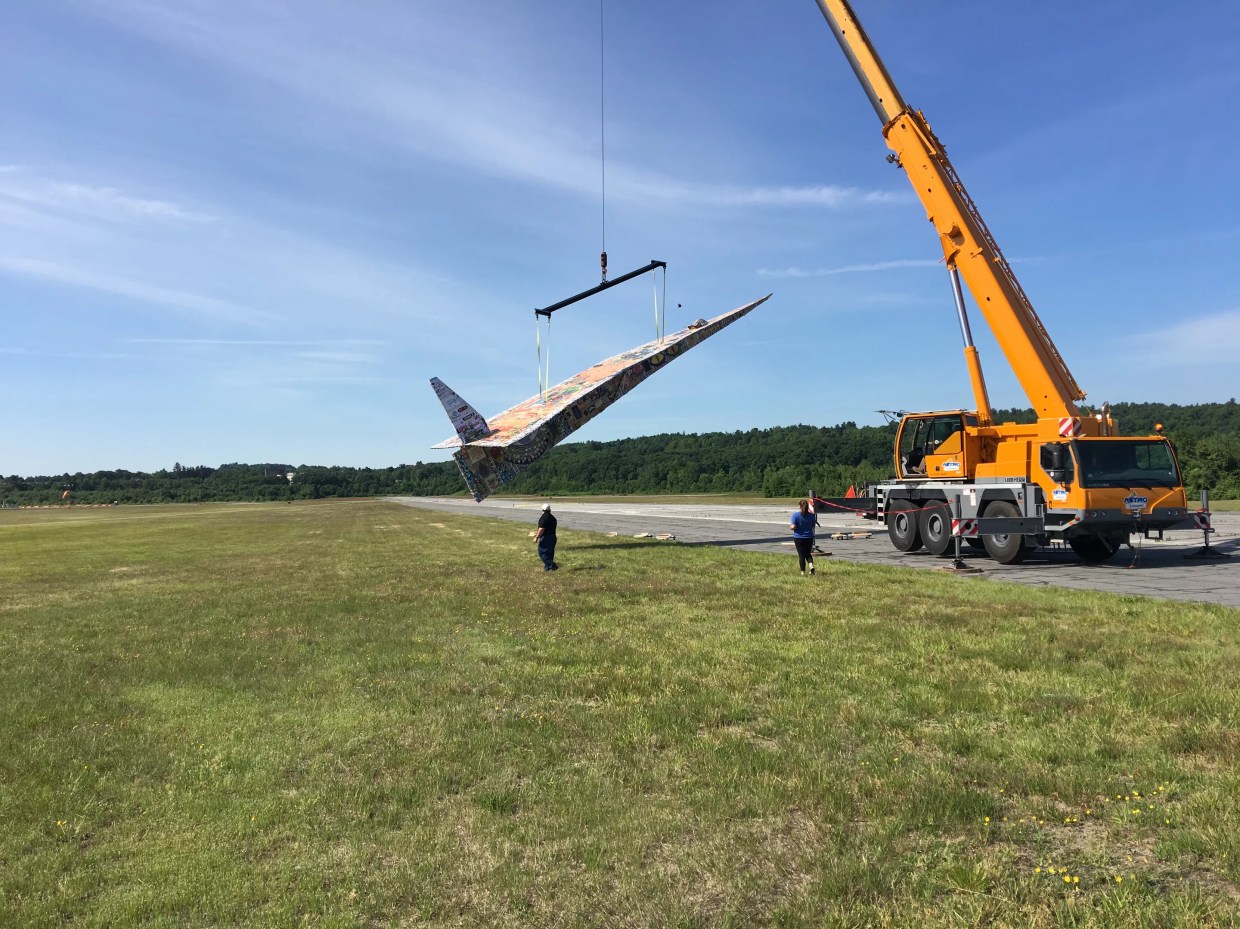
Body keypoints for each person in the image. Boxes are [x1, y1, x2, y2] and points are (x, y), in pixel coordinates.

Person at [790, 499, 818, 575]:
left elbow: (792, 526)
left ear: (799, 506)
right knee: (808, 553)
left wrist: (794, 527)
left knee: (801, 555)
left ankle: (802, 572)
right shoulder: (812, 516)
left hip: (799, 537)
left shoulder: (795, 515)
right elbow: (813, 526)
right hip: (809, 537)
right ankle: (811, 566)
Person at [534, 503, 559, 571]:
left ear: (542, 510)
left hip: (546, 537)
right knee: (550, 553)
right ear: (550, 510)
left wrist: (536, 537)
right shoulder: (553, 518)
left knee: (542, 552)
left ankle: (552, 566)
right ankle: (548, 568)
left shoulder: (543, 518)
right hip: (553, 536)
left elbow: (541, 529)